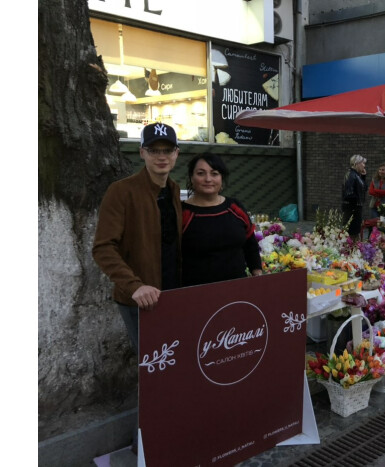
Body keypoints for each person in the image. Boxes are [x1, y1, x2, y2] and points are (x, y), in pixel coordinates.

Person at [93, 122, 182, 350]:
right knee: (151, 365)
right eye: (154, 150)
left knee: (175, 363)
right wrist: (135, 287)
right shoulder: (121, 191)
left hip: (172, 295)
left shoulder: (173, 190)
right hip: (141, 299)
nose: (161, 157)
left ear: (176, 154)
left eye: (167, 150)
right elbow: (103, 247)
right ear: (142, 152)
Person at [181, 154, 262, 287]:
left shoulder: (235, 207)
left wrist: (257, 272)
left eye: (214, 173)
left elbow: (250, 244)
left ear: (221, 178)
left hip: (237, 290)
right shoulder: (182, 213)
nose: (208, 179)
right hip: (195, 294)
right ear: (191, 178)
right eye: (201, 173)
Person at [341, 154, 367, 240]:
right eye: (363, 163)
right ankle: (351, 251)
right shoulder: (351, 175)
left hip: (355, 208)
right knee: (351, 233)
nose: (364, 165)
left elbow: (364, 189)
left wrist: (363, 177)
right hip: (352, 209)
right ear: (357, 163)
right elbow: (349, 194)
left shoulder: (356, 175)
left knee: (355, 232)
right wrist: (356, 205)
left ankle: (353, 250)